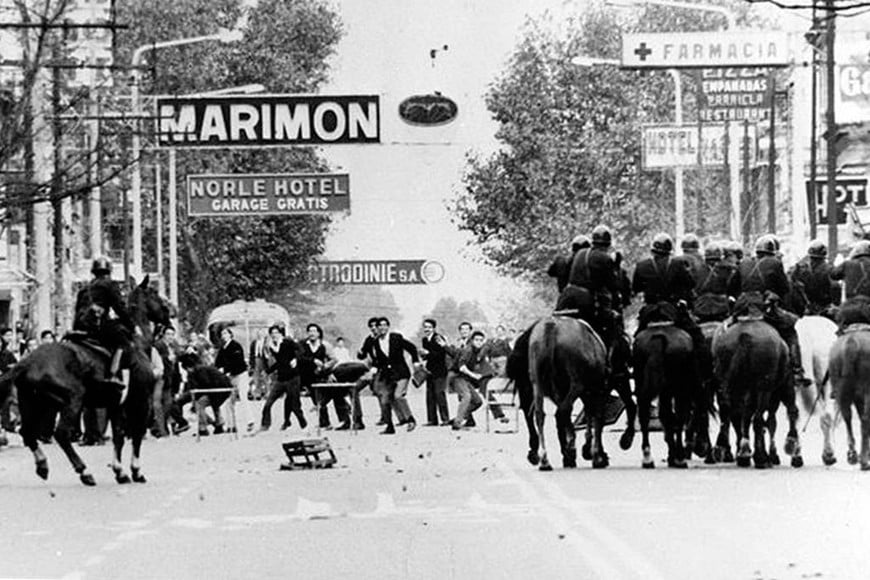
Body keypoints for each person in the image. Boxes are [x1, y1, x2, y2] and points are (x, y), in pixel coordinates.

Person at [735, 234, 809, 386]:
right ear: (773, 252)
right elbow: (784, 288)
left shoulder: (743, 263)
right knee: (791, 329)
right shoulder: (775, 262)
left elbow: (732, 287)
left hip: (743, 308)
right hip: (764, 308)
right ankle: (796, 370)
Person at [632, 232, 706, 376]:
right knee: (697, 337)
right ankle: (700, 374)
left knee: (637, 337)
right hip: (673, 310)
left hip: (650, 311)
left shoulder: (642, 265)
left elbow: (636, 288)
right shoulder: (677, 264)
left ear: (653, 250)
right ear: (669, 251)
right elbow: (690, 283)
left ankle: (634, 369)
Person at [73, 256, 133, 390]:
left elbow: (77, 310)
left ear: (93, 272)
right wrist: (132, 326)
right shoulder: (110, 285)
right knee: (122, 341)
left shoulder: (84, 288)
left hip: (80, 326)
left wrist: (75, 329)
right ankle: (113, 374)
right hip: (97, 325)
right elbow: (119, 308)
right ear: (109, 271)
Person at [371, 317, 419, 434]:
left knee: (398, 396)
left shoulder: (396, 338)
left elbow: (411, 348)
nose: (382, 328)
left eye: (384, 325)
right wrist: (375, 368)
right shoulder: (376, 342)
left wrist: (415, 361)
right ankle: (389, 427)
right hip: (388, 376)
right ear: (377, 328)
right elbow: (380, 360)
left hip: (402, 373)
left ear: (388, 327)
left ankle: (410, 419)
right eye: (379, 326)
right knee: (384, 401)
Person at [298, 323, 347, 430]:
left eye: (314, 331)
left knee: (331, 395)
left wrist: (325, 367)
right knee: (316, 399)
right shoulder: (303, 344)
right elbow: (300, 358)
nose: (312, 334)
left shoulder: (325, 345)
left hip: (323, 375)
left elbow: (334, 359)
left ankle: (344, 419)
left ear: (319, 333)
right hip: (308, 376)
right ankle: (324, 423)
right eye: (310, 331)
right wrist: (313, 361)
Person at [260, 324, 306, 431]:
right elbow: (280, 362)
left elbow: (301, 350)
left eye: (276, 333)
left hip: (293, 377)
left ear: (281, 334)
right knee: (268, 403)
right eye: (272, 334)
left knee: (295, 405)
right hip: (281, 378)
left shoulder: (288, 342)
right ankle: (265, 425)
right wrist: (268, 371)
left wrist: (295, 359)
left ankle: (304, 425)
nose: (274, 335)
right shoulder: (272, 347)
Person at [214, 327, 255, 434]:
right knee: (228, 401)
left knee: (243, 396)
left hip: (240, 374)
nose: (224, 336)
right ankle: (231, 425)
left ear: (230, 335)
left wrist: (225, 369)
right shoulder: (222, 348)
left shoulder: (236, 346)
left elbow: (237, 361)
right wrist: (220, 369)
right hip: (230, 377)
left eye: (226, 334)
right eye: (222, 334)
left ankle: (250, 420)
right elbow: (218, 362)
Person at [790, 239, 841, 319]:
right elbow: (836, 287)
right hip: (825, 310)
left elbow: (793, 284)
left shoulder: (802, 270)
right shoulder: (829, 269)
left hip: (808, 310)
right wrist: (835, 304)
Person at [449, 330, 489, 430]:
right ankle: (457, 423)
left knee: (477, 402)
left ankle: (459, 417)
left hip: (465, 378)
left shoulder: (477, 351)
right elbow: (462, 367)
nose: (478, 342)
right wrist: (474, 375)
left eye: (481, 340)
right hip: (457, 376)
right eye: (476, 340)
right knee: (466, 396)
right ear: (471, 341)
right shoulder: (468, 350)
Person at [693, 242, 740, 323]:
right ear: (721, 257)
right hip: (722, 309)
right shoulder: (731, 269)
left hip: (700, 309)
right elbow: (734, 289)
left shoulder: (696, 269)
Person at [831, 240, 870, 329]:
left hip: (850, 306)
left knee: (838, 331)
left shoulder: (847, 264)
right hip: (868, 306)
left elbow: (833, 274)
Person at [420, 318, 450, 426]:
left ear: (433, 328)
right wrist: (423, 355)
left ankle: (445, 419)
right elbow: (427, 356)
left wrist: (427, 353)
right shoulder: (424, 340)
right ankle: (432, 420)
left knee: (439, 394)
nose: (427, 329)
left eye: (429, 327)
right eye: (425, 327)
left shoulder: (438, 338)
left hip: (440, 370)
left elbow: (441, 354)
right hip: (429, 371)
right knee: (430, 395)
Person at [248, 328, 270, 401]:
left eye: (261, 333)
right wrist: (251, 364)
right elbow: (251, 354)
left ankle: (268, 392)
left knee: (265, 377)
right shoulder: (254, 343)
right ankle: (258, 393)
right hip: (256, 360)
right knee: (256, 378)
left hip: (264, 360)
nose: (259, 335)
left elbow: (268, 353)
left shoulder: (266, 342)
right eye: (258, 333)